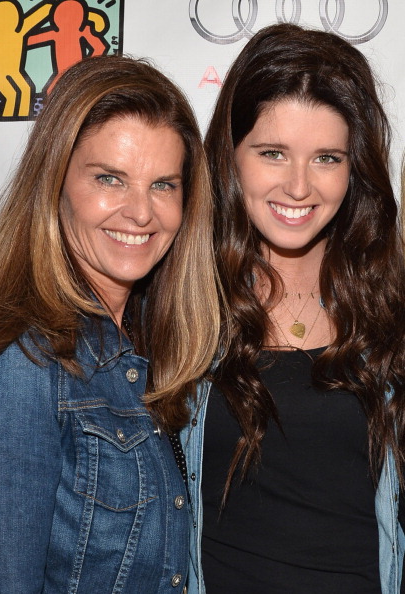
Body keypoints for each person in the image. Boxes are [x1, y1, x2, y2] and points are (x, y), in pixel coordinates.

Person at [0, 55, 220, 592]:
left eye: (163, 185)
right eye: (110, 178)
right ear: (55, 182)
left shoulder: (154, 345)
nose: (141, 213)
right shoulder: (21, 361)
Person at [181, 23, 405, 594]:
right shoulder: (181, 303)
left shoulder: (388, 307)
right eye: (273, 153)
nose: (299, 186)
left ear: (355, 169)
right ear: (230, 157)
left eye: (326, 157)